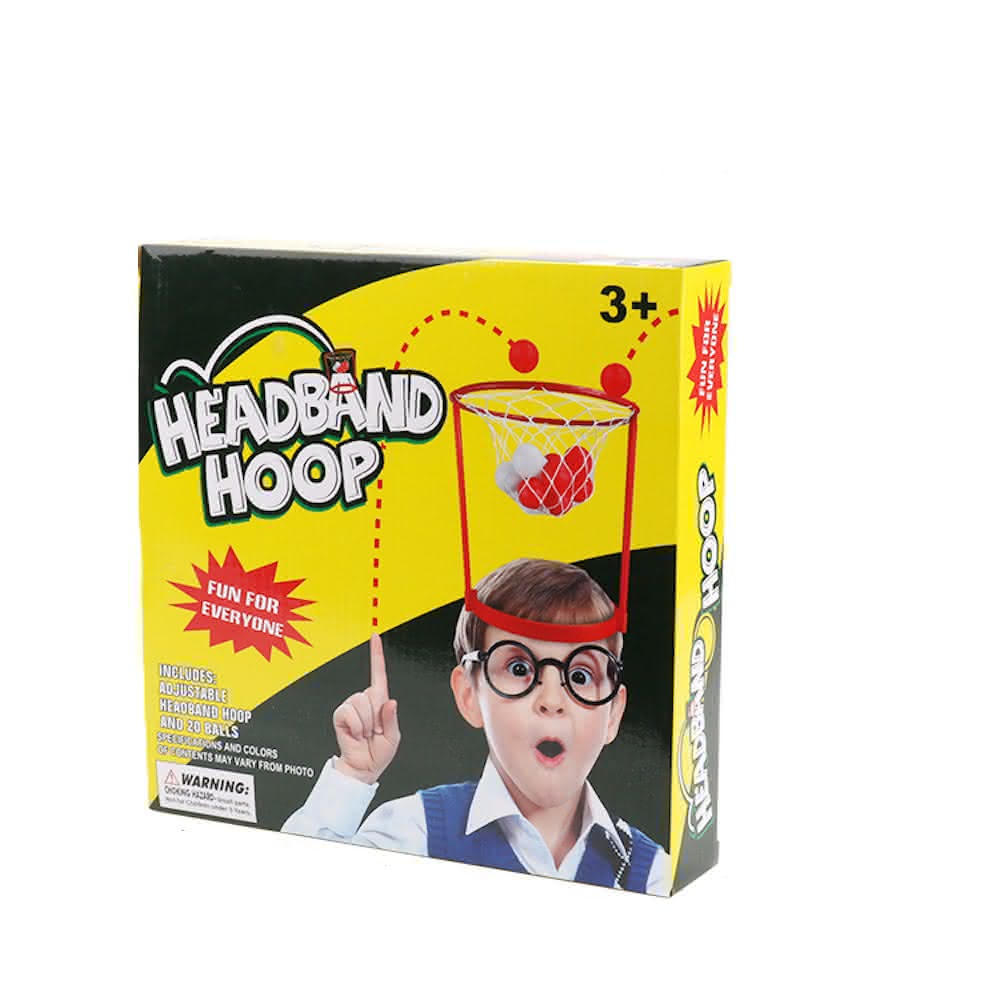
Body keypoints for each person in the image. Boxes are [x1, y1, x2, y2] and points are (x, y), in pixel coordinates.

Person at [282, 557, 668, 894]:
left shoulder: (651, 873)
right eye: (520, 668)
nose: (552, 700)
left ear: (613, 715)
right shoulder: (415, 830)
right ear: (469, 695)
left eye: (580, 676)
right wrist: (353, 776)